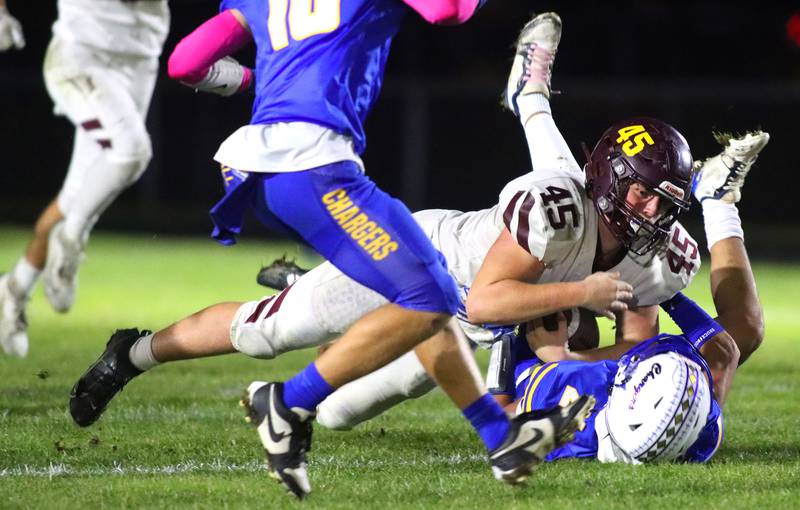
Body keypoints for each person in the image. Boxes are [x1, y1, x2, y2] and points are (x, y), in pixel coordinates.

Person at [70, 6, 595, 499]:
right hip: (313, 167)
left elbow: (186, 62)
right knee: (409, 301)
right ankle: (285, 403)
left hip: (271, 164)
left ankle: (500, 439)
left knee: (429, 296)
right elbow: (447, 9)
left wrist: (253, 82)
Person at [501, 130, 768, 462]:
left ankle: (531, 105)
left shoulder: (568, 398)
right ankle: (717, 199)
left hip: (555, 362)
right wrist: (664, 292)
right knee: (747, 327)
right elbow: (724, 352)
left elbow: (499, 423)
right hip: (588, 370)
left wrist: (521, 344)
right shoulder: (701, 435)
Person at [0, 0, 170, 357]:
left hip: (140, 55)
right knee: (131, 152)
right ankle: (72, 236)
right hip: (83, 53)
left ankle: (13, 289)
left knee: (77, 193)